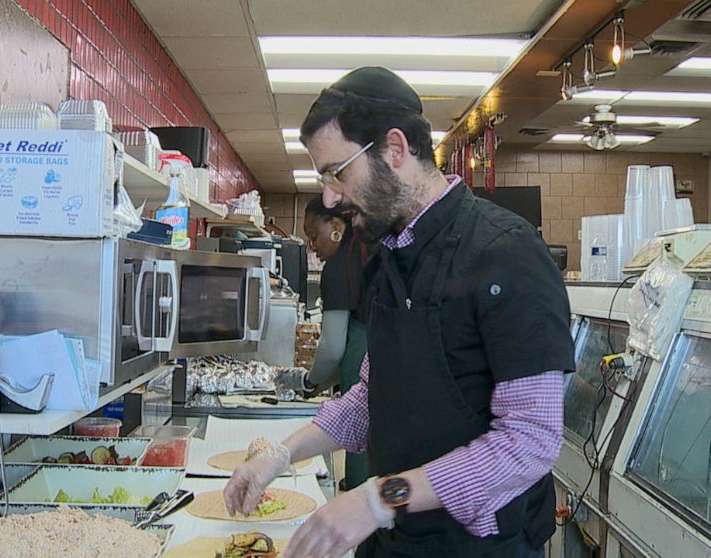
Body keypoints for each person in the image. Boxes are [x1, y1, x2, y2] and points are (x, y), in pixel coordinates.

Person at [224, 66, 575, 558]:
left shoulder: (507, 255)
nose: (329, 197)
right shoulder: (388, 254)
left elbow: (529, 442)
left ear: (394, 148)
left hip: (478, 547)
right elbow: (372, 396)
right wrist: (282, 454)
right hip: (396, 541)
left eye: (337, 173)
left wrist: (379, 498)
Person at [277, 195, 371, 489]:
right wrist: (319, 380)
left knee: (363, 472)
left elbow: (333, 347)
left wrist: (309, 381)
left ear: (335, 226)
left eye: (314, 235)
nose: (312, 246)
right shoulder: (365, 252)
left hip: (366, 372)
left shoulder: (338, 265)